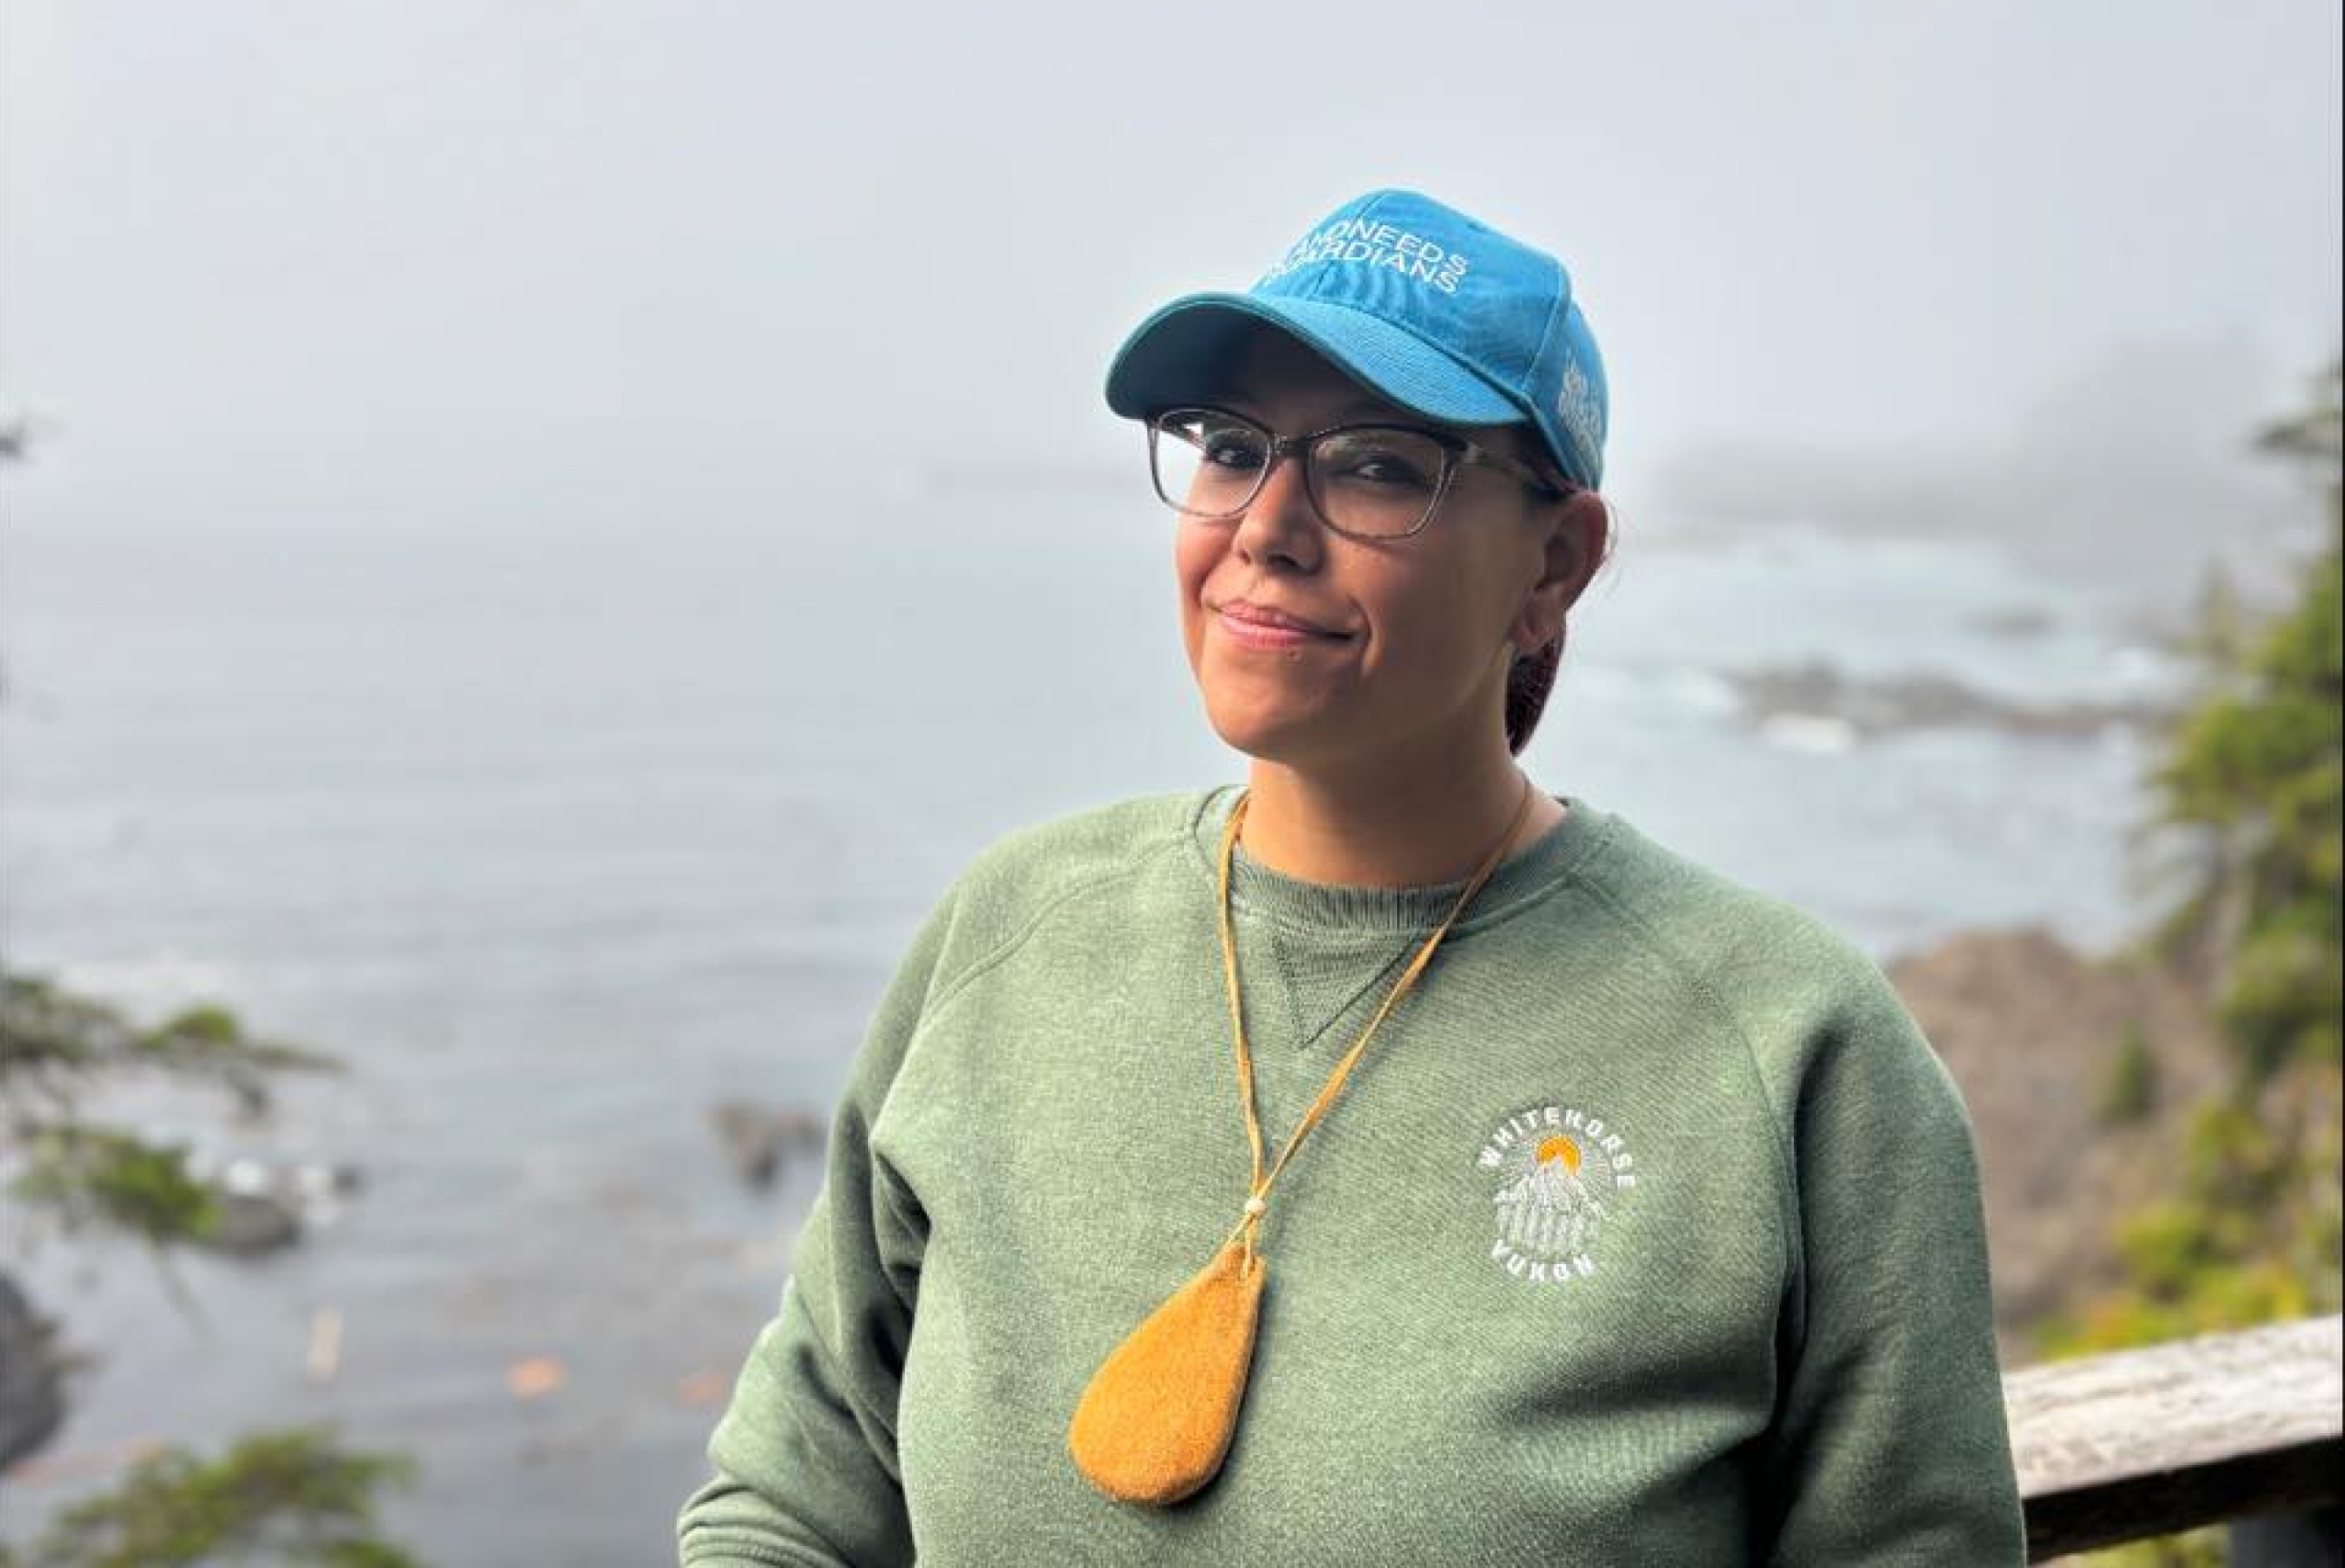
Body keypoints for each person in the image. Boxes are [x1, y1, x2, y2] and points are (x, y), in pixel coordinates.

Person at [676, 188, 2026, 1565]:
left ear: (1554, 565)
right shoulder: (1012, 932)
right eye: (1230, 447)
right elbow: (792, 1499)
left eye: (1377, 465)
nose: (1266, 526)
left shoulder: (1791, 1052)